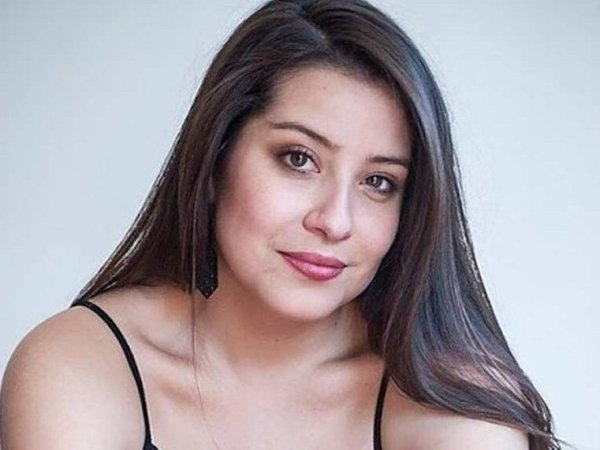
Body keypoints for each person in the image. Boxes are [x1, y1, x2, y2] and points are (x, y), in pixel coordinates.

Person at [0, 0, 564, 449]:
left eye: (378, 182)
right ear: (216, 158)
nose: (335, 221)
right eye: (299, 159)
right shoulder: (82, 364)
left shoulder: (451, 402)